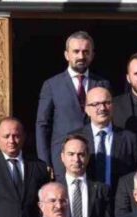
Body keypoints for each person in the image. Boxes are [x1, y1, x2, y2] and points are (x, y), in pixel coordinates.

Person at [35, 31, 111, 168]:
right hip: (62, 159)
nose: (81, 56)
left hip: (95, 157)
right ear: (66, 55)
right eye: (76, 51)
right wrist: (44, 162)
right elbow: (42, 125)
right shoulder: (52, 85)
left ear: (92, 55)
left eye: (86, 52)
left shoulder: (102, 84)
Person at [64, 86, 137, 198]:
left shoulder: (129, 139)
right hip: (86, 203)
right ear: (86, 109)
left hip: (119, 202)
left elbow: (136, 174)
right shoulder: (75, 139)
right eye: (96, 104)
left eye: (106, 103)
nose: (102, 108)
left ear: (112, 106)